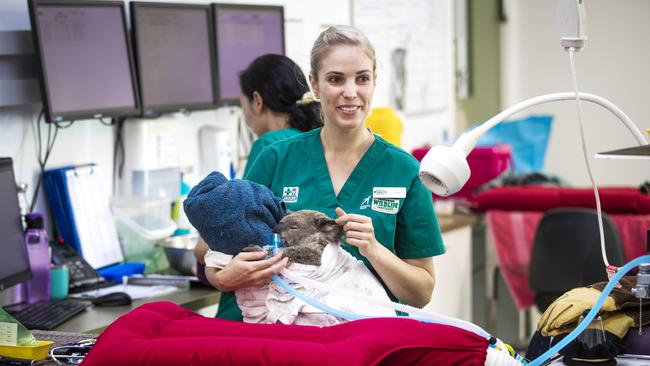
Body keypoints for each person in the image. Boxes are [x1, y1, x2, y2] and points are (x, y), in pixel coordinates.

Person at [205, 25, 445, 321]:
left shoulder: (403, 170)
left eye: (362, 79)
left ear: (373, 82)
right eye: (335, 79)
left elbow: (421, 294)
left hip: (368, 343)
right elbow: (214, 249)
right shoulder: (277, 159)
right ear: (314, 85)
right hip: (286, 338)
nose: (350, 92)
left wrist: (374, 250)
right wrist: (222, 278)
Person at [193, 54, 321, 319]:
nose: (248, 120)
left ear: (257, 101)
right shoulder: (315, 141)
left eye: (244, 109)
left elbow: (229, 226)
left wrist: (201, 249)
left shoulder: (270, 146)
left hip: (256, 303)